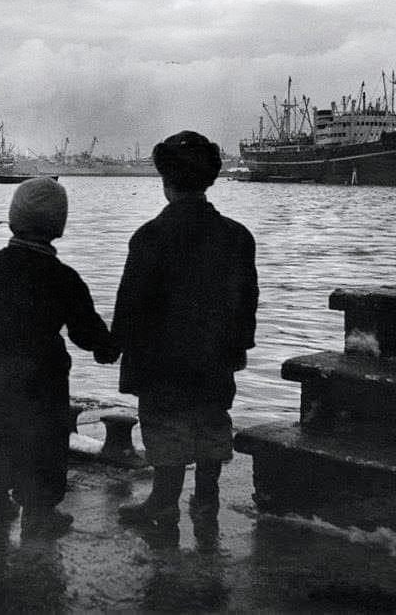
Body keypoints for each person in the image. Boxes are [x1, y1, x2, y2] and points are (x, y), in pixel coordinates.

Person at [112, 131, 258, 548]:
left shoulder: (150, 236)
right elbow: (248, 299)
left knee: (164, 429)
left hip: (161, 361)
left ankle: (163, 499)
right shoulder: (237, 236)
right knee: (212, 421)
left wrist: (114, 344)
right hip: (216, 357)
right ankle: (207, 498)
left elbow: (130, 303)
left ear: (165, 181)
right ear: (210, 179)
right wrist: (240, 347)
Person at [0, 177, 119, 540]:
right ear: (59, 226)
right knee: (45, 446)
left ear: (13, 218)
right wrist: (110, 347)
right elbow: (88, 334)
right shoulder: (64, 278)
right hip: (44, 381)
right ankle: (39, 512)